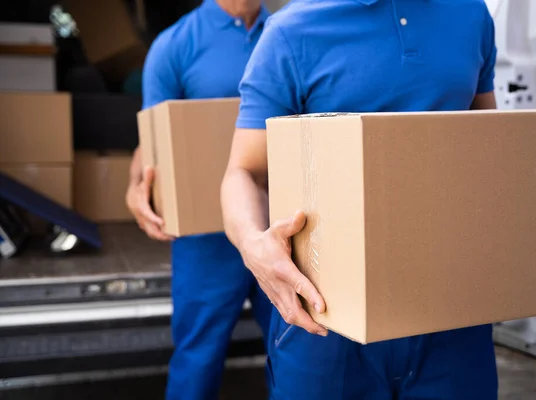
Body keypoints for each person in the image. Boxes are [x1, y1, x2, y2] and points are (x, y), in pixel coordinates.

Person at [221, 0, 500, 399]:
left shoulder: (471, 14)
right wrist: (253, 245)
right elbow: (243, 172)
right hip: (327, 319)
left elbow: (490, 148)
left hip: (452, 312)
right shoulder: (291, 33)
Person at [125, 1, 272, 399]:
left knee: (300, 356)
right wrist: (134, 185)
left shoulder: (291, 33)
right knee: (198, 359)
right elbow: (152, 138)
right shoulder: (174, 45)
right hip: (207, 238)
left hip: (286, 228)